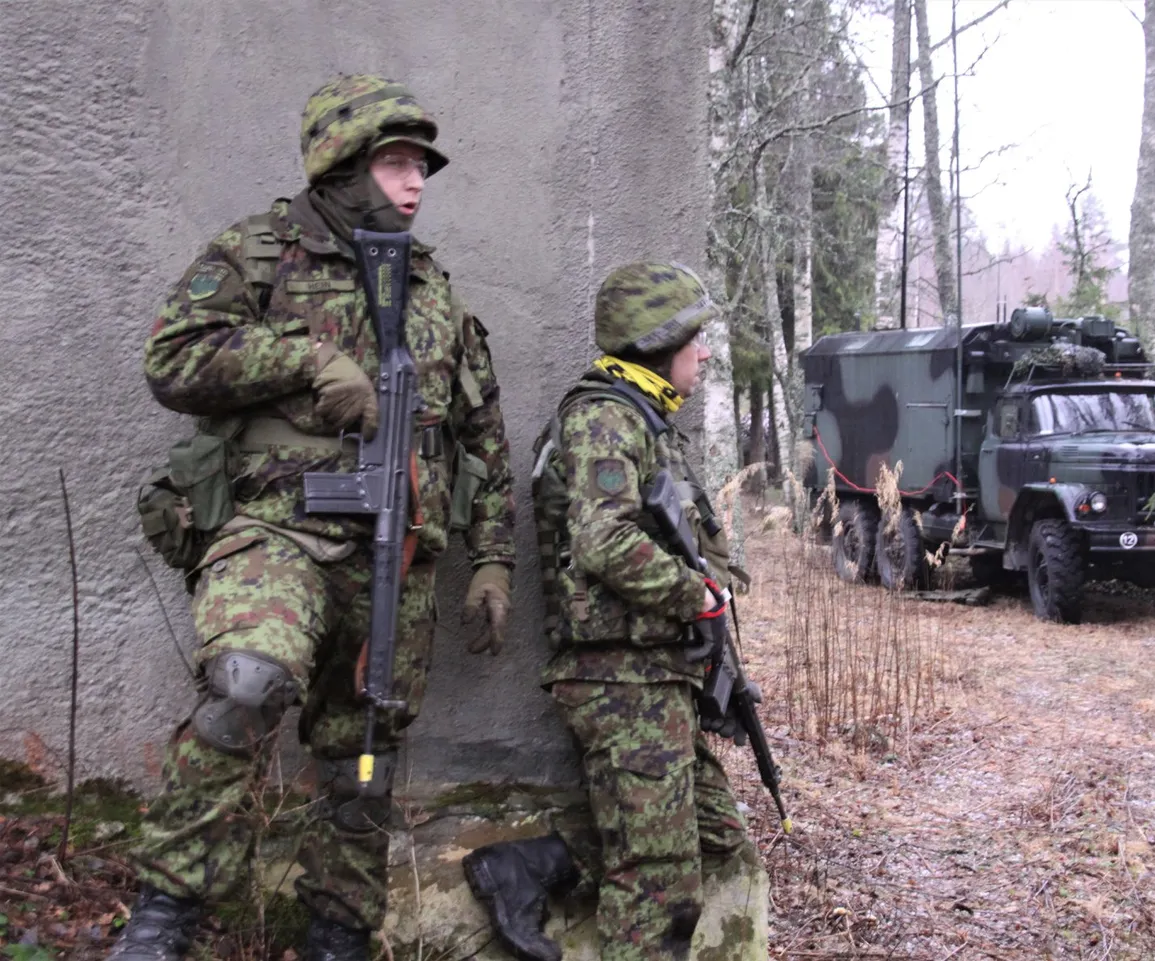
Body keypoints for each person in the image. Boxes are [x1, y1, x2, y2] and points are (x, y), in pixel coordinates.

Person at [111, 75, 516, 961]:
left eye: (422, 169)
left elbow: (482, 438)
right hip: (278, 530)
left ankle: (337, 932)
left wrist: (493, 561)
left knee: (363, 752)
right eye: (398, 163)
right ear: (342, 165)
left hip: (397, 553)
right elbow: (171, 358)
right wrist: (306, 361)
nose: (417, 183)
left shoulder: (435, 290)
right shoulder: (260, 254)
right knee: (247, 685)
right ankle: (162, 917)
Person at [462, 263, 762, 961]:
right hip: (619, 677)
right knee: (659, 883)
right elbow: (604, 541)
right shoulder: (604, 417)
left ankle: (529, 868)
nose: (706, 353)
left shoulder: (647, 421)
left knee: (712, 834)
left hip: (655, 675)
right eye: (695, 339)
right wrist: (697, 596)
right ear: (659, 344)